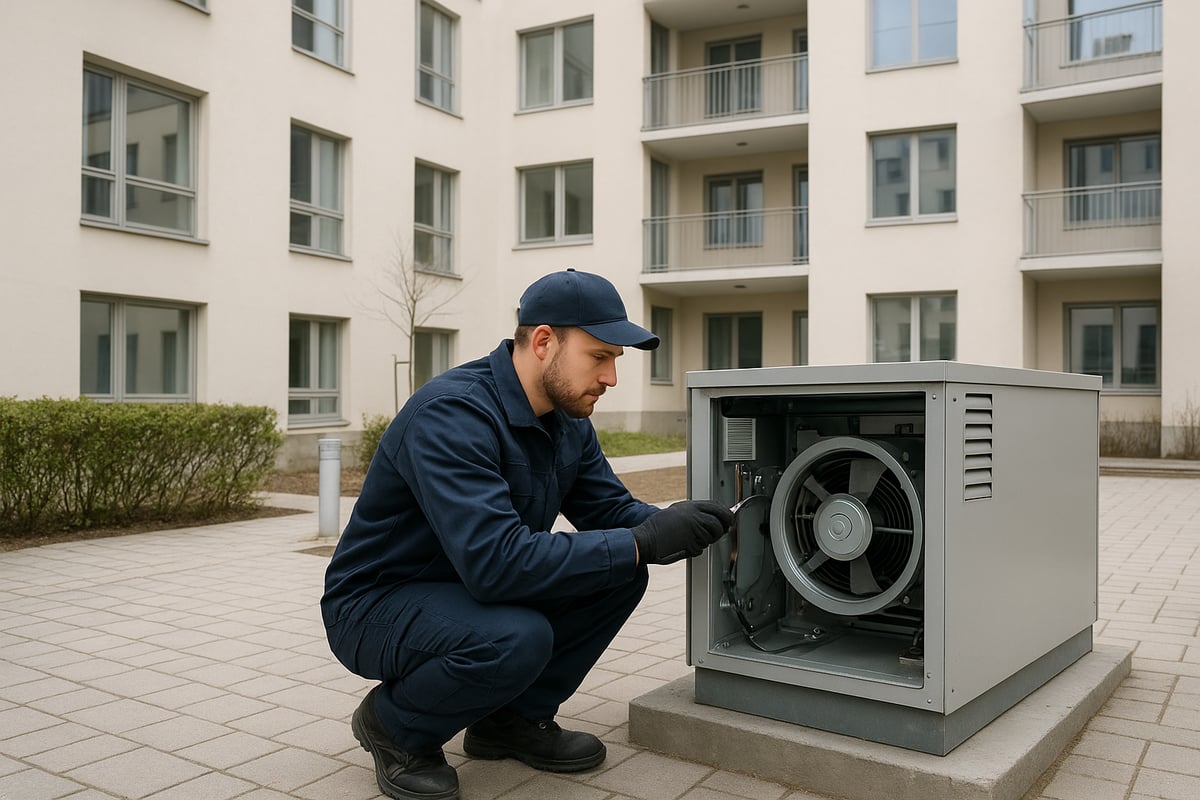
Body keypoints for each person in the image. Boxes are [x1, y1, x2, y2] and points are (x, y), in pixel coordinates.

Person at [321, 269, 733, 800]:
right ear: (543, 342)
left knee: (619, 575)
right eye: (599, 357)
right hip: (376, 604)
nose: (610, 378)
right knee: (516, 636)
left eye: (615, 360)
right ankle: (395, 726)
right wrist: (641, 542)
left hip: (466, 589)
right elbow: (497, 564)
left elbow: (610, 512)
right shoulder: (452, 414)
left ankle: (509, 721)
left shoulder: (567, 421)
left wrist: (679, 525)